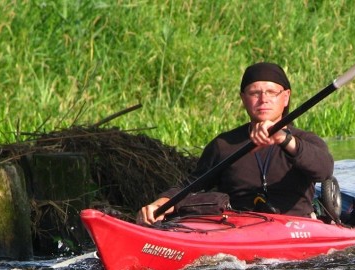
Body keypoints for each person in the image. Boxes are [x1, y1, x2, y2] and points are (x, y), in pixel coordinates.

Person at [137, 62, 334, 225]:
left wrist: (284, 139)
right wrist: (159, 204)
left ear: (286, 97)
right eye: (254, 93)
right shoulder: (224, 145)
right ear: (243, 99)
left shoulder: (305, 140)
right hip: (239, 228)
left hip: (296, 226)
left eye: (271, 92)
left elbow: (324, 170)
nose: (263, 99)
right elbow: (191, 186)